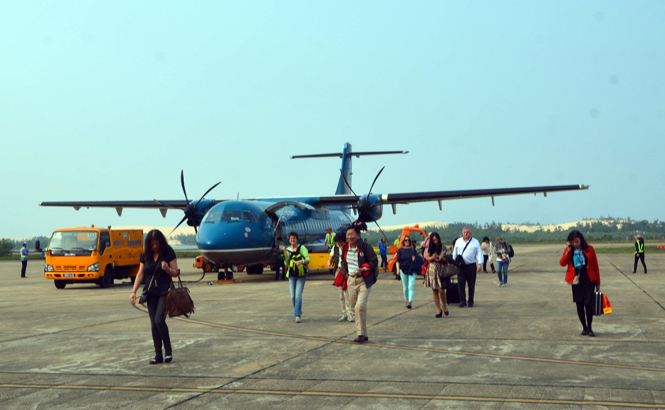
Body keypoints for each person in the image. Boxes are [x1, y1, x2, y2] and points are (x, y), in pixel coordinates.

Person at [129, 230, 179, 364]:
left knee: (159, 320)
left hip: (164, 292)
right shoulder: (145, 255)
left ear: (161, 242)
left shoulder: (168, 253)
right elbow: (140, 274)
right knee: (153, 325)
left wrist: (167, 269)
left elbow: (175, 272)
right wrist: (134, 291)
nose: (155, 246)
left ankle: (168, 351)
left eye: (157, 243)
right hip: (150, 293)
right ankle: (158, 355)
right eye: (152, 244)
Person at [341, 224, 378, 343]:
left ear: (358, 235)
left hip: (364, 280)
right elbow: (342, 261)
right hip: (351, 280)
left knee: (360, 306)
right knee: (354, 309)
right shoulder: (345, 248)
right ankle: (364, 333)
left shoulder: (365, 247)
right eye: (348, 234)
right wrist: (345, 273)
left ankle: (360, 334)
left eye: (352, 234)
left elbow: (374, 261)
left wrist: (364, 269)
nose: (349, 236)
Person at [560, 230, 600, 337]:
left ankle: (590, 327)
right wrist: (568, 251)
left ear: (581, 240)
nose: (575, 244)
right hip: (576, 282)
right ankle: (584, 328)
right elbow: (562, 263)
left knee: (588, 303)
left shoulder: (589, 249)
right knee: (579, 305)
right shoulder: (569, 251)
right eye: (572, 242)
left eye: (576, 241)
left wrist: (598, 283)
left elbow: (595, 265)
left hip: (589, 281)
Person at [281, 231, 310, 323]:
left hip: (301, 274)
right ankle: (298, 310)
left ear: (297, 239)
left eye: (294, 238)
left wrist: (301, 262)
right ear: (289, 240)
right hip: (292, 275)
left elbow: (308, 259)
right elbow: (286, 263)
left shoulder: (302, 248)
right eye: (291, 238)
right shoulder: (288, 249)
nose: (292, 240)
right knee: (292, 297)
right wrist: (285, 252)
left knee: (298, 296)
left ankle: (297, 315)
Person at [452, 227, 483, 308]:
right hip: (460, 266)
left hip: (471, 266)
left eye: (467, 232)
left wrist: (480, 263)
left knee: (471, 284)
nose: (466, 233)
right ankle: (462, 301)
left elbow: (479, 253)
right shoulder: (458, 242)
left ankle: (470, 301)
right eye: (464, 232)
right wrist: (454, 263)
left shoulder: (475, 242)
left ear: (470, 233)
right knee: (461, 284)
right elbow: (454, 253)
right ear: (462, 233)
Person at [424, 233, 450, 318]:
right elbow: (427, 257)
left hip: (441, 269)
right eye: (433, 240)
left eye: (436, 240)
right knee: (434, 290)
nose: (435, 242)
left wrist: (441, 258)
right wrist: (433, 257)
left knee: (441, 290)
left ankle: (444, 306)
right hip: (432, 269)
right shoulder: (430, 247)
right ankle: (438, 309)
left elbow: (447, 259)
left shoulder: (443, 246)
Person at [330, 232, 354, 322]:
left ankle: (350, 314)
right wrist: (329, 263)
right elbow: (331, 257)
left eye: (341, 241)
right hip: (338, 271)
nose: (339, 243)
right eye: (338, 241)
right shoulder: (335, 247)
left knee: (347, 294)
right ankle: (344, 313)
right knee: (341, 295)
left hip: (347, 272)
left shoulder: (348, 247)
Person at [395, 236, 417, 309]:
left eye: (408, 240)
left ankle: (410, 302)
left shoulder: (413, 250)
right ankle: (406, 300)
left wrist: (414, 259)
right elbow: (397, 261)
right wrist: (398, 269)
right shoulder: (400, 250)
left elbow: (418, 259)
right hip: (403, 270)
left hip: (412, 270)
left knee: (411, 285)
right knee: (405, 287)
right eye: (405, 240)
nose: (407, 241)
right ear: (403, 241)